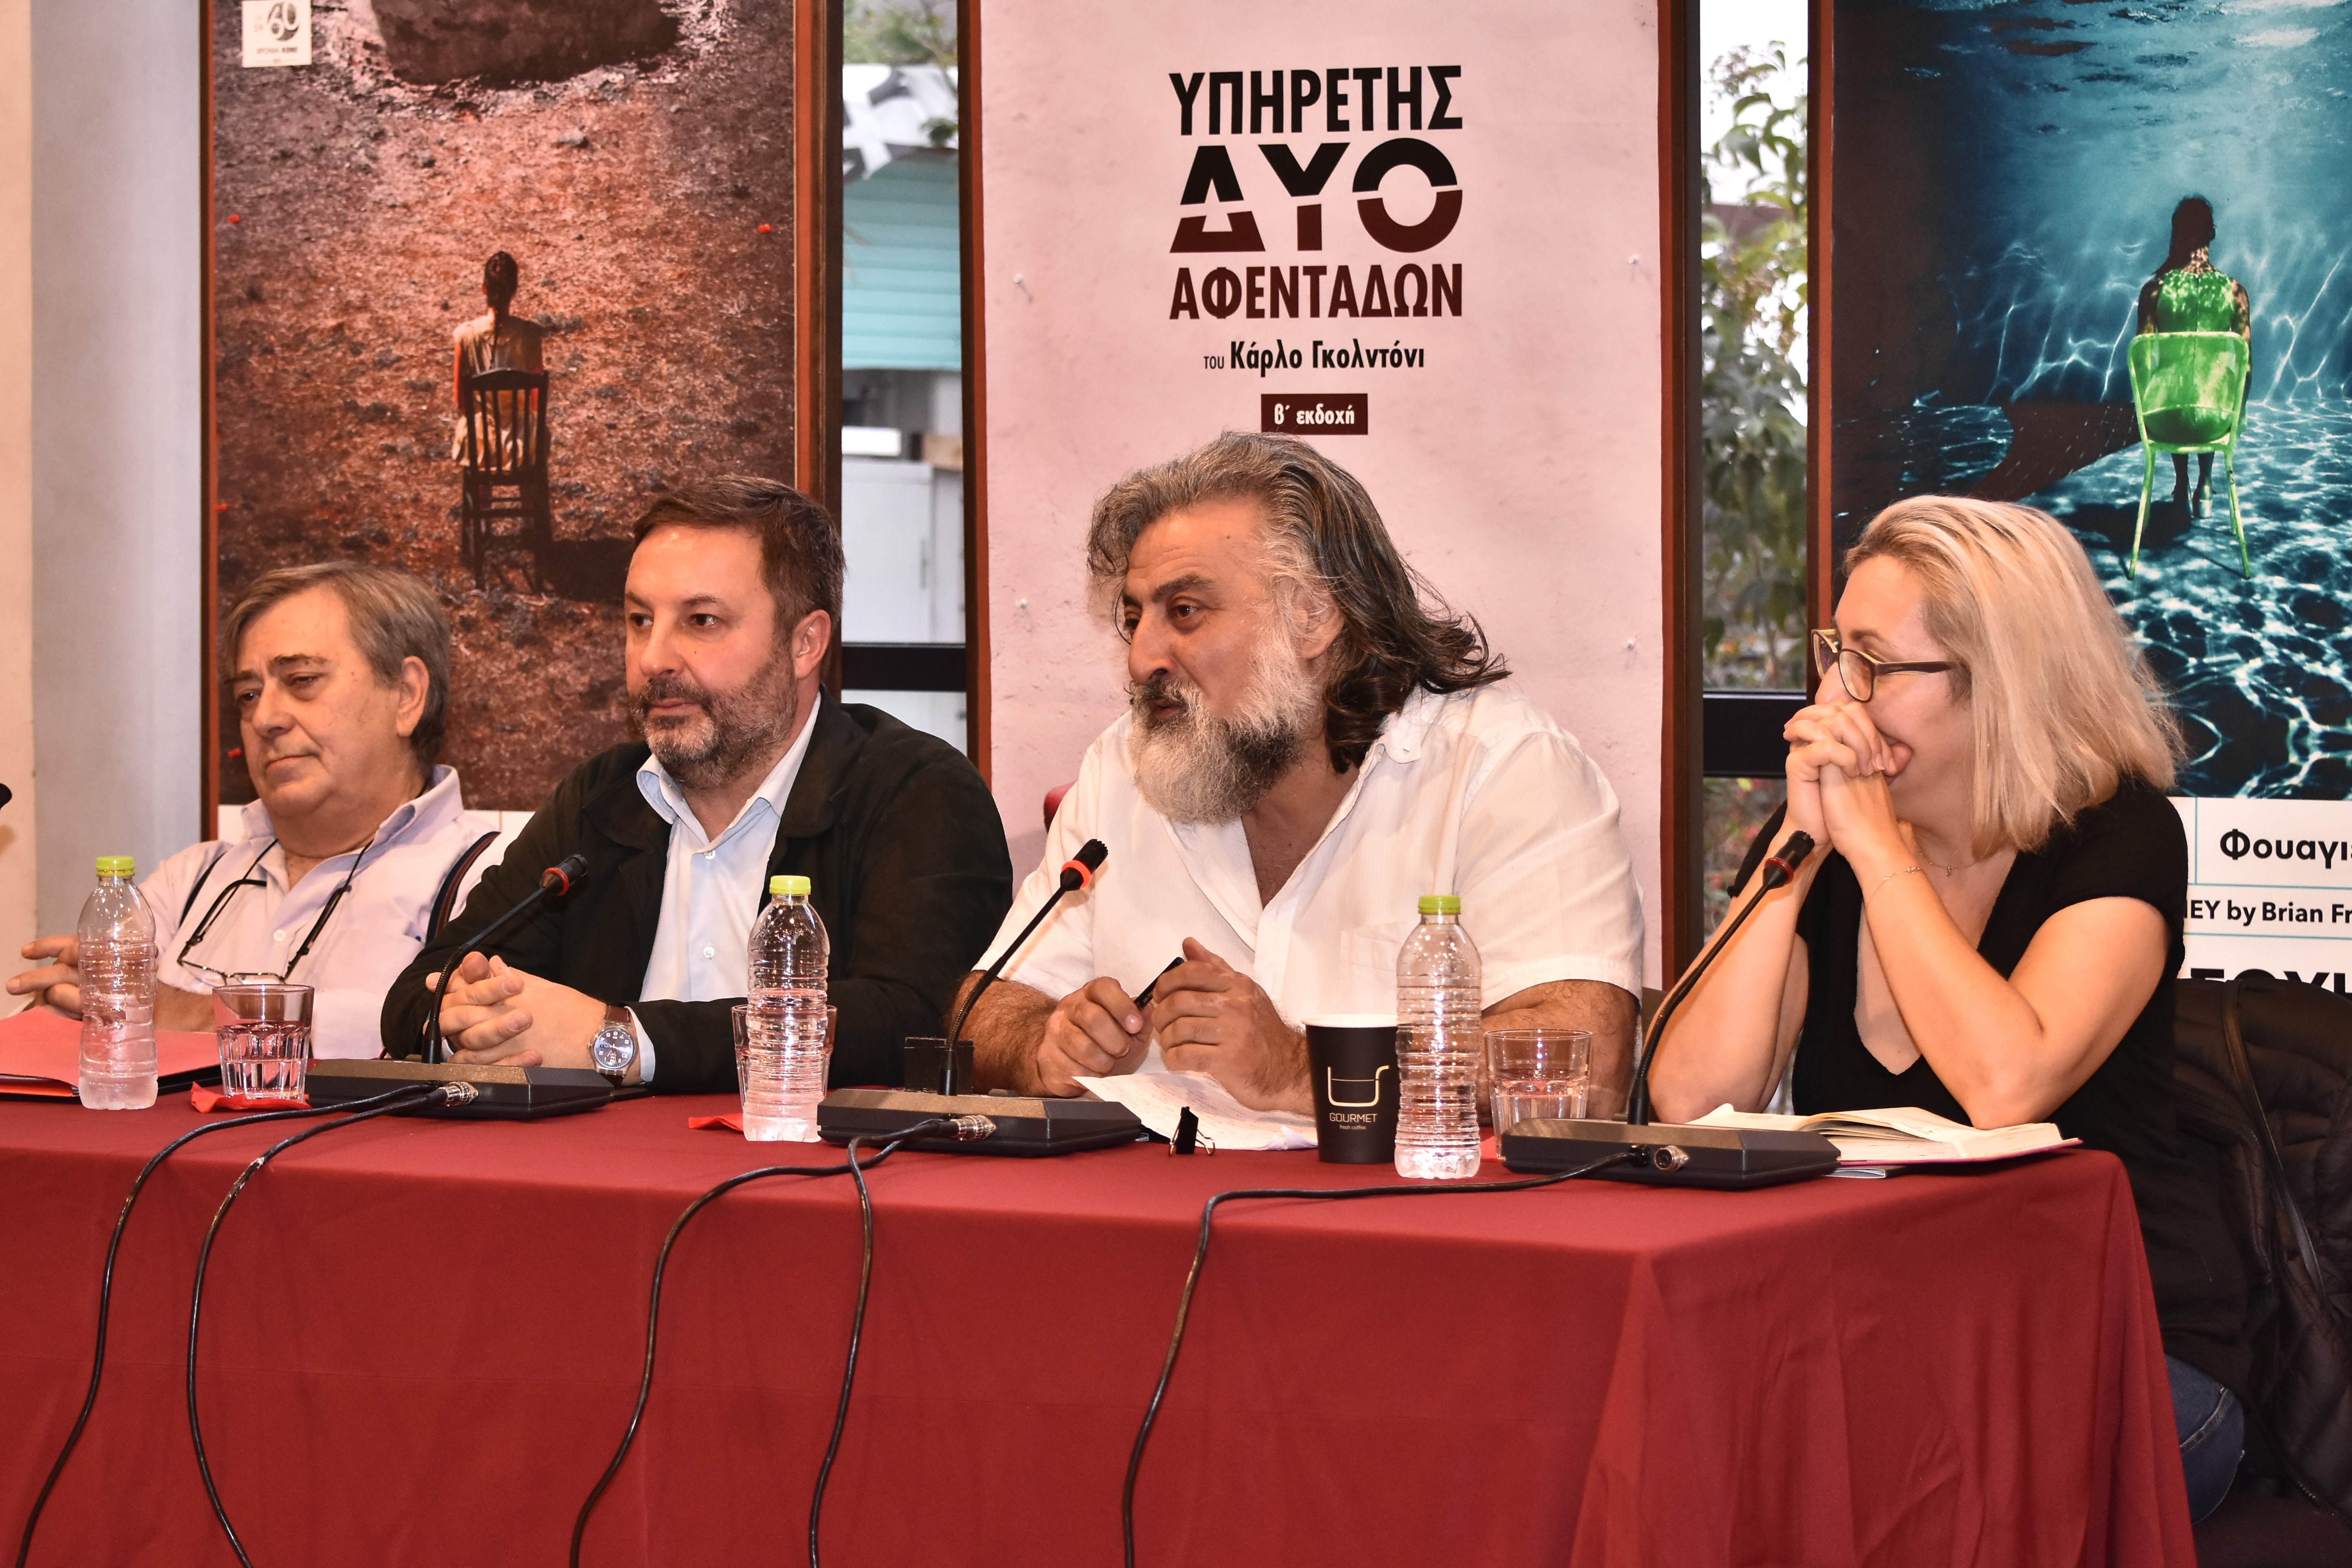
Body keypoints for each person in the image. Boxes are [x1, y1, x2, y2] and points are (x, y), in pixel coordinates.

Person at [1648, 496, 2248, 1521]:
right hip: (1890, 1341)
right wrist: (1794, 853)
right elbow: (1691, 1098)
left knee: (1874, 1490)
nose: (1831, 698)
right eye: (1834, 652)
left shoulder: (2119, 834)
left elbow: (2004, 1085)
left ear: (1998, 679)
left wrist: (1875, 849)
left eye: (1873, 665)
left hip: (2126, 1358)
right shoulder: (1825, 842)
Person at [965, 432, 1645, 1113]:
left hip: (1417, 1186)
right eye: (1133, 617)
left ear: (1313, 617)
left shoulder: (1502, 769)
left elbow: (1588, 1061)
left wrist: (1297, 1068)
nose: (1142, 659)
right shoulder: (1121, 767)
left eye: (1185, 611)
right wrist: (1044, 1046)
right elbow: (984, 1006)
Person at [383, 477, 1013, 1092]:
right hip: (600, 1161)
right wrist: (465, 1020)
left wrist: (623, 1040)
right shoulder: (601, 798)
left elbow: (916, 1021)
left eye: (702, 620)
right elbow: (420, 992)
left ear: (805, 643)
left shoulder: (917, 792)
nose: (653, 657)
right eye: (639, 620)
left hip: (806, 1160)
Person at [7, 563, 500, 1058]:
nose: (265, 718)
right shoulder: (188, 883)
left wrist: (193, 1014)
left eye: (302, 680)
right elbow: (92, 1034)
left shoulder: (494, 881)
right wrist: (68, 1009)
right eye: (248, 695)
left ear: (407, 695)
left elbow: (454, 1034)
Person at [2135, 196, 2252, 517]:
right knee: (2214, 381)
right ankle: (2205, 483)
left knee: (2172, 378)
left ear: (2176, 232)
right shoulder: (2235, 292)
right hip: (2217, 419)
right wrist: (2236, 415)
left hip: (2165, 418)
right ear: (2211, 233)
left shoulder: (2154, 291)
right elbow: (2246, 368)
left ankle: (2181, 482)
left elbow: (2142, 365)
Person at [450, 250, 546, 464]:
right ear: (514, 291)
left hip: (480, 444)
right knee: (537, 434)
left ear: (484, 288)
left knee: (473, 435)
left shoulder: (465, 337)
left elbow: (461, 403)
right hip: (521, 443)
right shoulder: (531, 336)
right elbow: (536, 403)